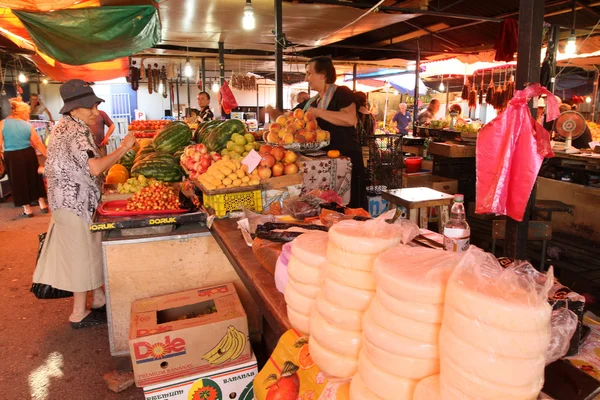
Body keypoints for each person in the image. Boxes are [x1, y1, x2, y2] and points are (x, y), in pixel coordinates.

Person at [33, 79, 137, 329]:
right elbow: (95, 167)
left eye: (94, 105)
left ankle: (99, 299)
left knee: (88, 252)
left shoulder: (62, 127)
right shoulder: (78, 131)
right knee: (81, 257)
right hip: (76, 203)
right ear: (72, 109)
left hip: (64, 202)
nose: (94, 111)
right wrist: (124, 147)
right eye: (88, 107)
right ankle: (78, 313)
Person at [305, 56, 367, 209]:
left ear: (322, 75)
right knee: (330, 208)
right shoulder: (313, 101)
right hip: (327, 166)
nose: (306, 78)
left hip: (347, 162)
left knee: (351, 208)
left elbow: (349, 119)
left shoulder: (342, 93)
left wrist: (319, 113)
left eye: (309, 73)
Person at [0, 98, 48, 217]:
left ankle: (27, 209)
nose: (27, 114)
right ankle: (42, 204)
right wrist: (49, 157)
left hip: (12, 156)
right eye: (26, 112)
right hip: (28, 154)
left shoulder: (2, 124)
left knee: (18, 181)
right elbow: (37, 143)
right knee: (34, 178)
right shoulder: (27, 125)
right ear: (20, 112)